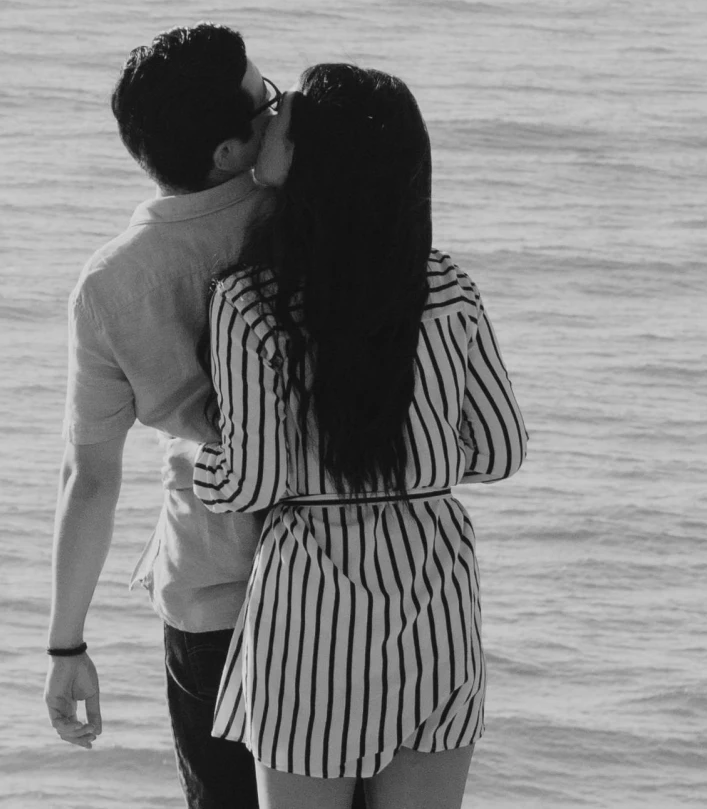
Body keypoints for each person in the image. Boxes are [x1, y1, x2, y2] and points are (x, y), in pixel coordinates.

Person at [193, 65, 527, 809]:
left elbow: (249, 481)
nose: (273, 121)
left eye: (287, 119)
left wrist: (202, 467)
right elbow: (503, 447)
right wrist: (412, 461)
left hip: (312, 597)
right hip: (435, 587)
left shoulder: (251, 302)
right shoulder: (448, 288)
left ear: (312, 163)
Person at [43, 23, 280, 808]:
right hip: (340, 575)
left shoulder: (112, 283)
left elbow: (90, 477)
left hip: (210, 577)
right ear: (226, 150)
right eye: (265, 99)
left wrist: (67, 641)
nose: (277, 110)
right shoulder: (305, 220)